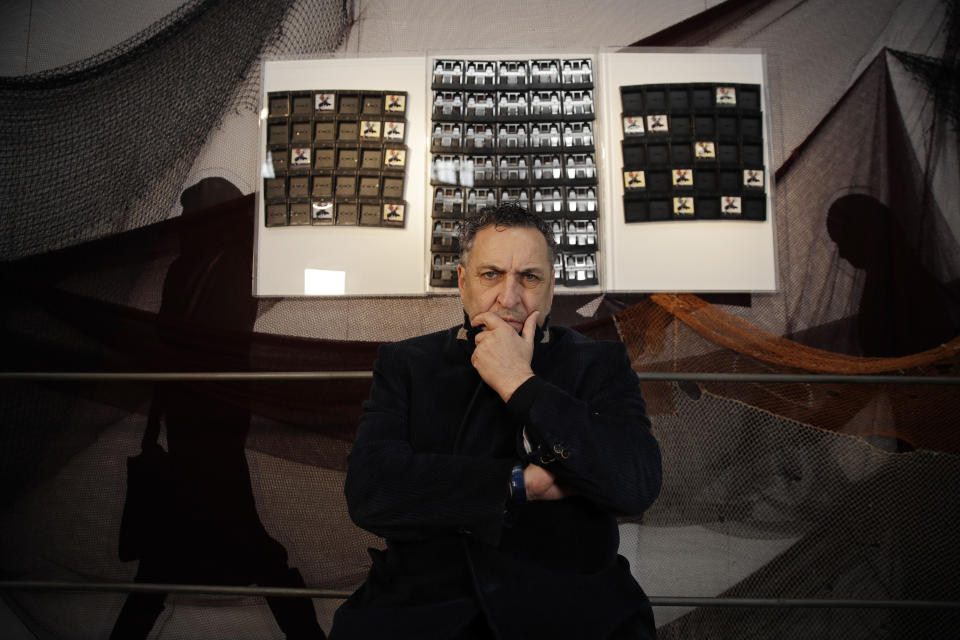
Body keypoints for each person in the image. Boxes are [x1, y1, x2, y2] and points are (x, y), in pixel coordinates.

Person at [329, 202, 662, 639]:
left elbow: (635, 484)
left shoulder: (598, 362)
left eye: (529, 276)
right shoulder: (407, 363)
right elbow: (371, 492)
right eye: (491, 275)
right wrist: (518, 484)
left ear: (551, 287)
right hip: (426, 611)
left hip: (571, 610)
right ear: (464, 283)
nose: (509, 297)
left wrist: (521, 384)